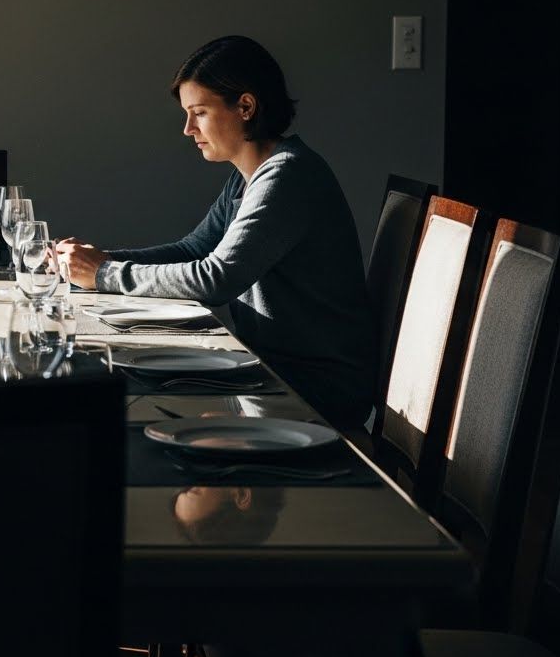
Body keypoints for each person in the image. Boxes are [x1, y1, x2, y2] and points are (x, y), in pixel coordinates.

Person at [58, 36, 376, 432]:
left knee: (131, 414)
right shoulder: (247, 177)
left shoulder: (288, 175)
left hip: (312, 387)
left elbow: (215, 279)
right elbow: (194, 249)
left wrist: (104, 273)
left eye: (200, 113)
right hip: (269, 370)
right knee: (134, 399)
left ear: (245, 106)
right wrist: (103, 260)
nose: (188, 129)